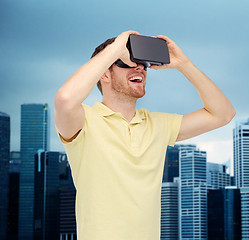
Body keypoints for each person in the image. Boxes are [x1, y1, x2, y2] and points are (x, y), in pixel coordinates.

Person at [54, 30, 235, 239]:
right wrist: (114, 49)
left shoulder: (158, 124)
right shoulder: (84, 121)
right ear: (104, 73)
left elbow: (223, 114)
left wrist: (184, 64)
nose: (139, 67)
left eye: (142, 63)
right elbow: (65, 100)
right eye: (127, 62)